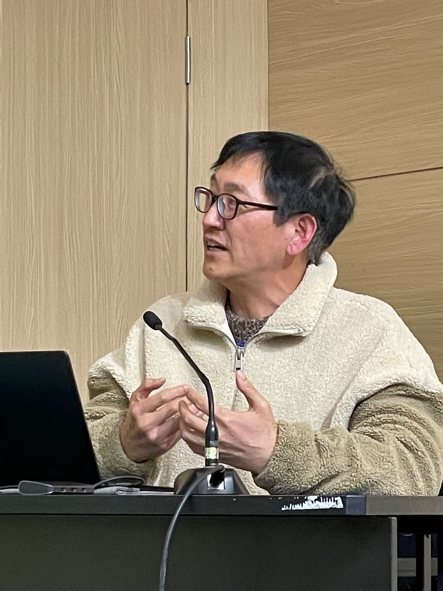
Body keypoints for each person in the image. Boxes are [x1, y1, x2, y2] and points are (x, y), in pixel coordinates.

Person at [85, 131, 443, 495]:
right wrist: (124, 443)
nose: (209, 219)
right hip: (161, 536)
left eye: (232, 203)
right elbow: (71, 449)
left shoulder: (370, 331)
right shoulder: (161, 324)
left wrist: (274, 451)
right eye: (211, 198)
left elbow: (412, 469)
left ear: (299, 232)